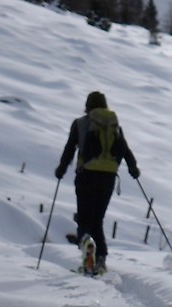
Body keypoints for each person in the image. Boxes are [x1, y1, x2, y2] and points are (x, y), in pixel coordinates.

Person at [55, 91, 140, 275]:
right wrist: (133, 169)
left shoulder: (80, 123)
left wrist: (61, 169)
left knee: (84, 219)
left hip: (86, 175)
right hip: (108, 177)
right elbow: (125, 150)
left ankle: (86, 243)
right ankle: (100, 260)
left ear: (87, 105)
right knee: (97, 220)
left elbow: (70, 149)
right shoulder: (114, 125)